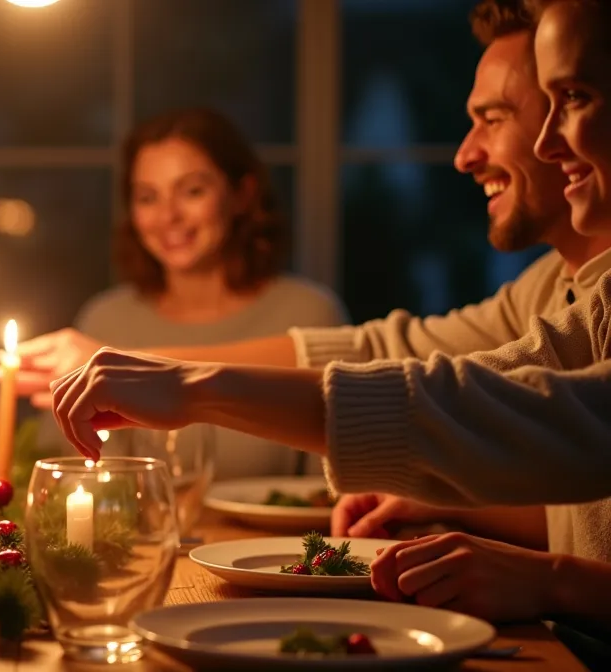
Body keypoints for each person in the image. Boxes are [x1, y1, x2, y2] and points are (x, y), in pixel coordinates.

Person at [50, 0, 611, 636]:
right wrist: (455, 502)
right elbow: (428, 371)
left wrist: (556, 580)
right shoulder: (559, 289)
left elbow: (519, 414)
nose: (464, 155)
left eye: (576, 98)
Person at [44, 107, 346, 478]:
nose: (168, 216)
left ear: (241, 195)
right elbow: (81, 478)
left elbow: (336, 484)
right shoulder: (104, 321)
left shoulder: (309, 315)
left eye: (192, 191)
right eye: (147, 197)